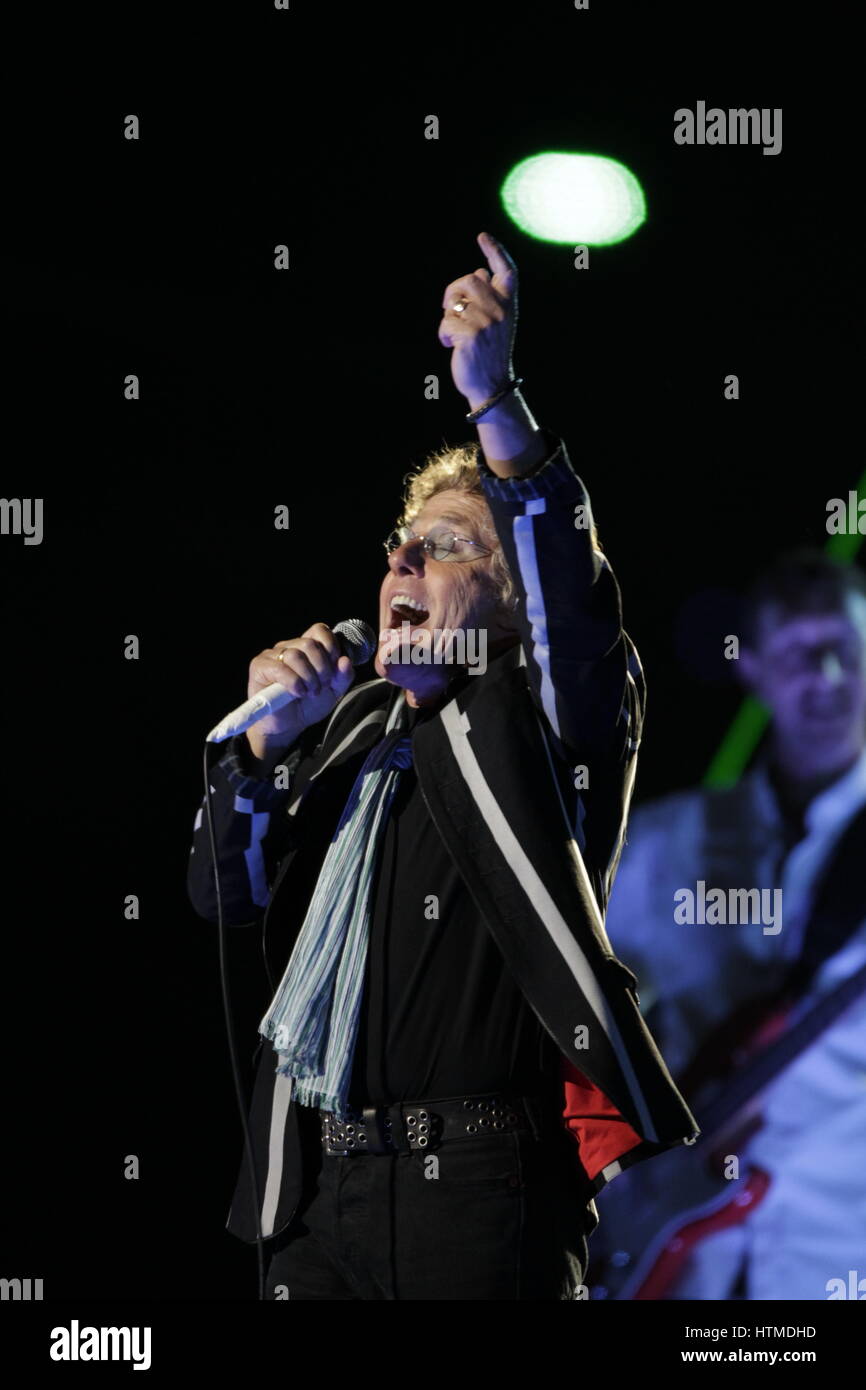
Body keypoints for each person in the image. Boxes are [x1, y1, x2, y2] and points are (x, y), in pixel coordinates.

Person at [187, 230, 698, 1301]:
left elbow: (571, 592)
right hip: (317, 1186)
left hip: (474, 1189)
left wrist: (493, 399)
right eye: (399, 544)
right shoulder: (349, 732)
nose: (402, 561)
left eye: (449, 543)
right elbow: (221, 895)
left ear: (509, 604)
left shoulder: (541, 716)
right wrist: (261, 755)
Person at [602, 550, 866, 1300]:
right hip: (655, 1241)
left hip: (836, 1255)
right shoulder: (657, 844)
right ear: (749, 666)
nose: (827, 677)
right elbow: (575, 1028)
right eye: (796, 652)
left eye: (845, 649)